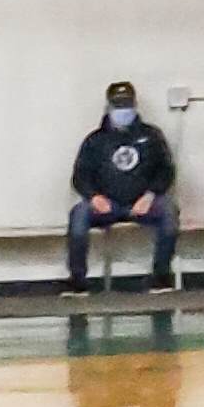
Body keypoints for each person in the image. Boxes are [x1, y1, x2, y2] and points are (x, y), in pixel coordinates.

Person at [65, 81, 178, 290]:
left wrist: (150, 195)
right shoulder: (95, 140)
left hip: (143, 203)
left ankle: (161, 275)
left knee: (169, 212)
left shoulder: (152, 136)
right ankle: (77, 280)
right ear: (109, 107)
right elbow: (80, 175)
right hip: (106, 205)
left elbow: (166, 170)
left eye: (126, 105)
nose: (123, 111)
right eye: (118, 106)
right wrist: (94, 197)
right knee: (78, 215)